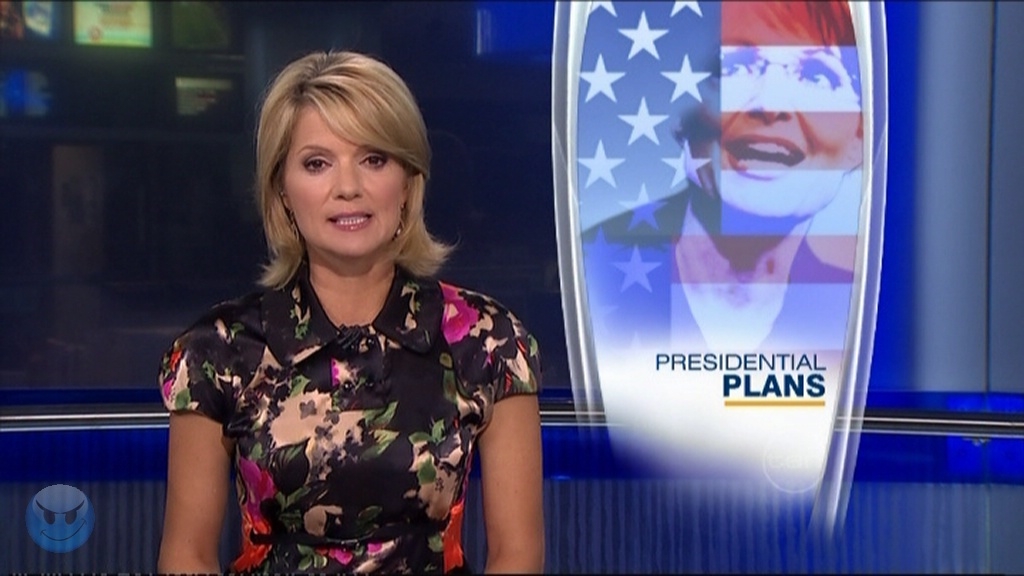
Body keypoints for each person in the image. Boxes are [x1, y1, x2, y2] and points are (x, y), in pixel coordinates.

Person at [157, 50, 544, 574]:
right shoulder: (218, 350)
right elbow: (188, 555)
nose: (347, 187)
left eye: (374, 159)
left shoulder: (486, 340)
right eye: (317, 163)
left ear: (408, 182)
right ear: (282, 190)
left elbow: (518, 555)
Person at [583, 0, 863, 354]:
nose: (770, 104)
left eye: (817, 75)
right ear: (682, 108)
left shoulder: (861, 313)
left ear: (860, 136)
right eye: (735, 67)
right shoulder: (590, 267)